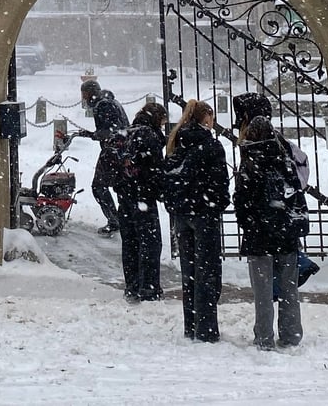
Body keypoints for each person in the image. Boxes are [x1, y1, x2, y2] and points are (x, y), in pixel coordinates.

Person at [234, 115, 309, 350]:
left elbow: (241, 200)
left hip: (259, 235)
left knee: (263, 292)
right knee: (289, 289)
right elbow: (298, 188)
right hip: (285, 233)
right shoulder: (284, 156)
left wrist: (248, 222)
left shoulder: (249, 160)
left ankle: (264, 336)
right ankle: (291, 333)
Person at [231, 92, 321, 288]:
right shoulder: (278, 146)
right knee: (287, 290)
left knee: (266, 290)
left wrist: (249, 218)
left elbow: (248, 193)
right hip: (281, 227)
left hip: (264, 228)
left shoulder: (259, 147)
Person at [162, 99, 231, 342]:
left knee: (189, 271)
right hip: (204, 213)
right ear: (205, 118)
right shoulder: (210, 146)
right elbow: (220, 181)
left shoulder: (176, 142)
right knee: (208, 271)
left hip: (182, 214)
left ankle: (191, 325)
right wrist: (217, 203)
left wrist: (177, 204)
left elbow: (168, 178)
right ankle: (207, 328)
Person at [115, 102, 167, 302]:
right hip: (143, 197)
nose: (163, 126)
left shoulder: (127, 133)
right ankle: (149, 288)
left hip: (125, 196)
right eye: (162, 122)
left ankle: (132, 285)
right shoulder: (149, 136)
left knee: (130, 243)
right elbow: (155, 169)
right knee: (150, 244)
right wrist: (161, 191)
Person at [77, 79, 129, 235]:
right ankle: (123, 220)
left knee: (98, 187)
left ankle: (115, 220)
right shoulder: (111, 101)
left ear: (90, 92)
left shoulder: (102, 105)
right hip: (121, 149)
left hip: (112, 151)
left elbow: (109, 130)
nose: (83, 97)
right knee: (120, 186)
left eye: (84, 93)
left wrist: (94, 135)